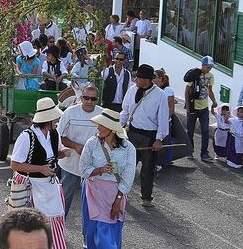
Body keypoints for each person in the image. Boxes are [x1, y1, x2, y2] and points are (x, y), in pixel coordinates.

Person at [10, 97, 71, 249]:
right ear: (48, 119)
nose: (57, 120)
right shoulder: (27, 136)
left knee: (54, 219)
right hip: (31, 186)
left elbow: (55, 153)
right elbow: (15, 164)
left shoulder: (54, 133)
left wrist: (63, 153)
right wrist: (40, 168)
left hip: (48, 186)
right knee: (33, 225)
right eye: (55, 117)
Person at [80, 109, 136, 249]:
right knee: (92, 231)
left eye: (102, 125)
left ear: (112, 129)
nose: (98, 128)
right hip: (92, 192)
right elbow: (83, 169)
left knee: (108, 236)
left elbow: (128, 178)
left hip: (115, 194)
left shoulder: (128, 148)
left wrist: (117, 201)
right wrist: (100, 170)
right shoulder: (92, 143)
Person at [119, 64, 169, 207]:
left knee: (147, 169)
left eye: (139, 78)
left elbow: (163, 119)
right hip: (132, 133)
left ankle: (146, 196)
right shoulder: (131, 91)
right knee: (127, 167)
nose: (136, 80)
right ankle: (121, 194)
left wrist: (159, 139)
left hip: (150, 137)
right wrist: (117, 127)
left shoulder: (160, 95)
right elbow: (125, 112)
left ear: (147, 80)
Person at [58, 86, 103, 216]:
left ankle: (89, 233)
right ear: (81, 98)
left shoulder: (102, 114)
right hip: (70, 164)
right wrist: (76, 146)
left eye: (93, 99)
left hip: (93, 166)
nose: (89, 101)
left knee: (92, 202)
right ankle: (59, 229)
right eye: (86, 98)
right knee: (65, 198)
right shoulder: (70, 113)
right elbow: (60, 137)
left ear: (97, 100)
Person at [185, 56, 218, 162]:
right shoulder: (194, 74)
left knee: (205, 130)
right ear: (203, 65)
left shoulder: (211, 76)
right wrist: (188, 106)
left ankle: (204, 153)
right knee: (190, 130)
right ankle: (190, 151)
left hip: (204, 108)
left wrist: (214, 101)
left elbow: (209, 90)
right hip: (193, 106)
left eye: (211, 67)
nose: (209, 69)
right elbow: (187, 90)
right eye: (208, 67)